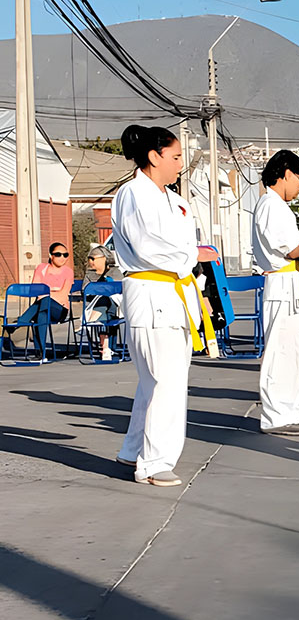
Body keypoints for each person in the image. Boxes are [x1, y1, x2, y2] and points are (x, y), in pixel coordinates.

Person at [112, 124, 218, 487]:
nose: (179, 164)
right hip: (151, 292)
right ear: (154, 157)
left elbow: (184, 247)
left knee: (155, 383)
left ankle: (133, 450)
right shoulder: (133, 193)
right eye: (175, 156)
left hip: (176, 294)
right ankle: (154, 463)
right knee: (164, 383)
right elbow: (146, 246)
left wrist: (193, 262)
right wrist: (192, 255)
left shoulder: (175, 201)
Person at [252, 150, 299, 436]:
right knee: (281, 352)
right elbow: (292, 250)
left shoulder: (279, 206)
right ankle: (275, 416)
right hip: (282, 283)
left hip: (295, 283)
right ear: (286, 174)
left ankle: (293, 410)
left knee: (296, 352)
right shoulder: (270, 205)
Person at [8, 241, 74, 359]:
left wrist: (46, 292)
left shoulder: (68, 272)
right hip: (43, 307)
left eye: (65, 255)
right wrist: (52, 291)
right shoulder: (42, 268)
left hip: (60, 310)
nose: (62, 258)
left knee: (45, 301)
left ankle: (21, 321)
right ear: (50, 255)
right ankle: (40, 353)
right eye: (58, 254)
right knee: (42, 313)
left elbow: (63, 294)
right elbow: (36, 290)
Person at [84, 244, 124, 361]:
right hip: (94, 305)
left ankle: (106, 347)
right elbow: (84, 291)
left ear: (104, 258)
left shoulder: (115, 272)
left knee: (106, 302)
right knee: (104, 304)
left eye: (93, 258)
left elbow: (119, 290)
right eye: (89, 258)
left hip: (115, 307)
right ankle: (107, 348)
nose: (91, 261)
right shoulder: (89, 274)